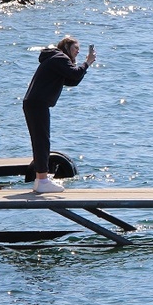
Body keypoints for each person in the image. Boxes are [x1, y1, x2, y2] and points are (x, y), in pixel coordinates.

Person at [23, 36, 95, 193]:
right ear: (67, 47)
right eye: (76, 48)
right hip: (38, 103)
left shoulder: (55, 58)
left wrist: (84, 66)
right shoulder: (60, 57)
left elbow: (72, 80)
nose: (78, 52)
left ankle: (40, 179)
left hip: (34, 102)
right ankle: (42, 181)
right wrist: (87, 62)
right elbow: (74, 74)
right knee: (42, 141)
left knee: (40, 140)